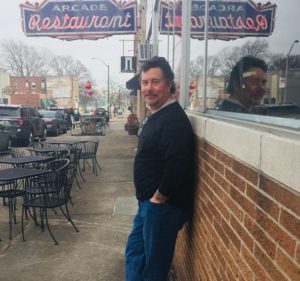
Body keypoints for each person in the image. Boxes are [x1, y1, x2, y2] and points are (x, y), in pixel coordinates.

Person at [125, 56, 195, 281]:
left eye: (155, 82)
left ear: (169, 84)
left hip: (163, 207)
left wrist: (158, 198)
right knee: (135, 254)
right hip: (148, 205)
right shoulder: (157, 115)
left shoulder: (173, 119)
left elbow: (178, 164)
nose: (148, 88)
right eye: (145, 82)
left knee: (153, 270)